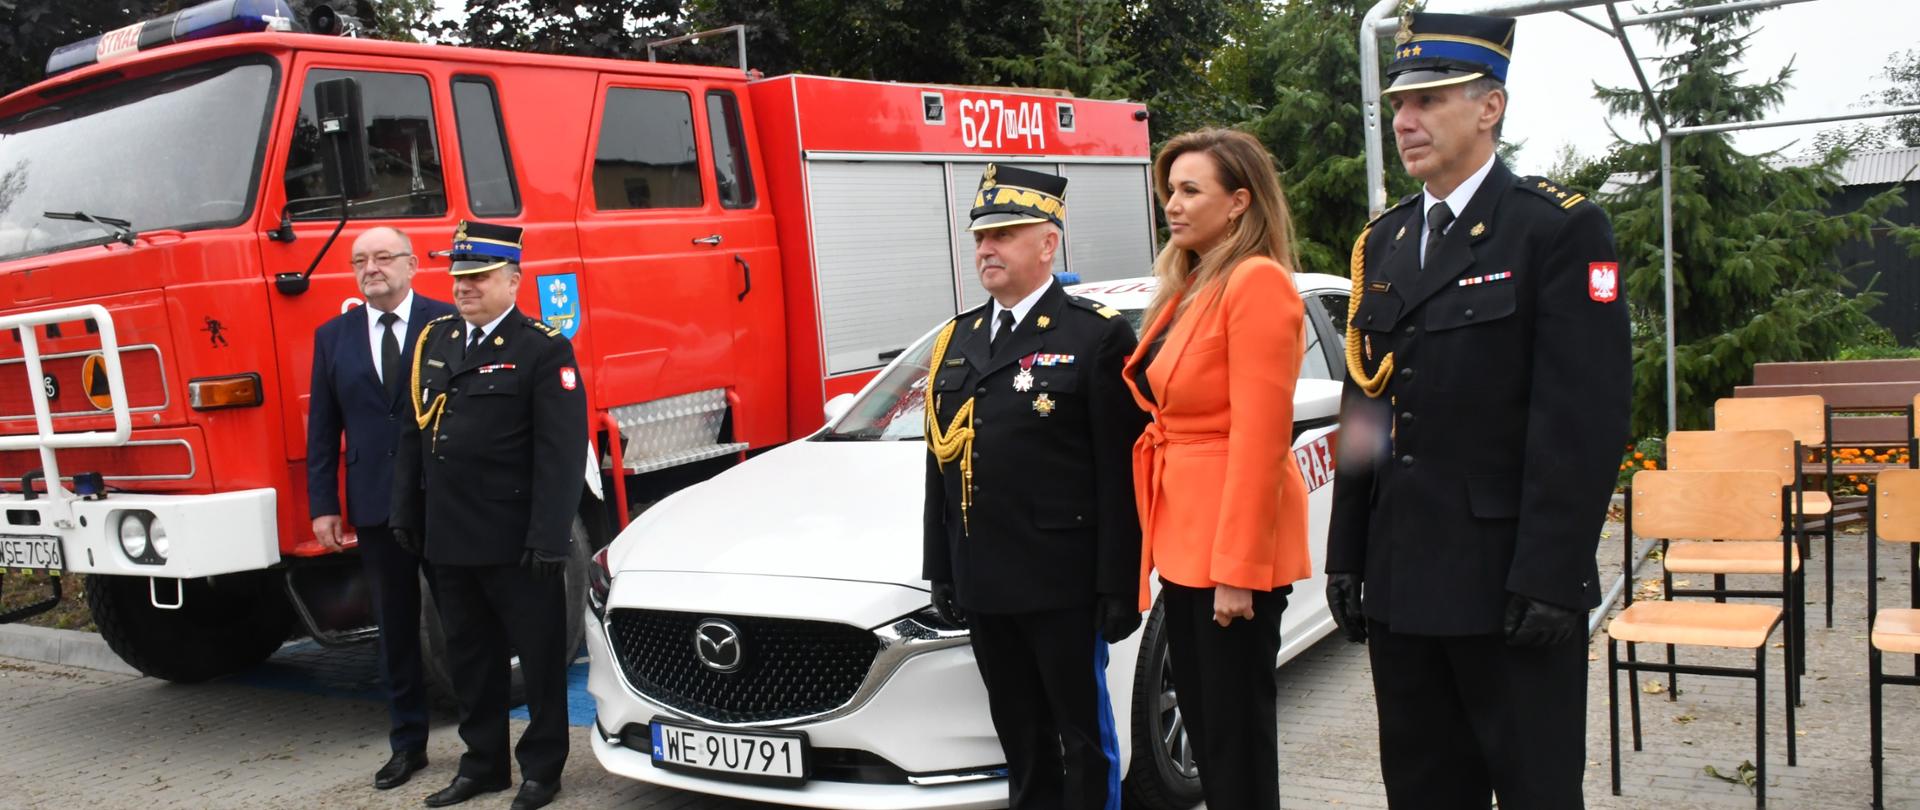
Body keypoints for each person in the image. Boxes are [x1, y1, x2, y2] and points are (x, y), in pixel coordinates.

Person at [1325, 12, 1630, 809]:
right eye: (1399, 101)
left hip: (1509, 585)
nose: (1404, 119)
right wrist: (1348, 550)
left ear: (1490, 106)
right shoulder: (1385, 243)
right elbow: (1369, 409)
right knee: (1424, 791)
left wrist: (1554, 575)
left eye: (1429, 99)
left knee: (1535, 789)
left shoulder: (1555, 230)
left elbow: (1583, 419)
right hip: (1403, 580)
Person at [922, 163, 1148, 810]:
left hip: (1063, 585)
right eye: (980, 237)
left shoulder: (1095, 334)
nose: (986, 248)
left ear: (1048, 243)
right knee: (1019, 739)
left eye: (1005, 233)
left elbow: (1118, 472)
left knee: (1082, 740)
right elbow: (941, 468)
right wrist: (943, 569)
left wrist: (1117, 585)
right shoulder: (957, 339)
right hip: (985, 581)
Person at [1121, 128, 1312, 810]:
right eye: (1169, 190)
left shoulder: (1256, 282)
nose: (1172, 203)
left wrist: (1237, 569)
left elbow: (1261, 438)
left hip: (1230, 550)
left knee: (1235, 743)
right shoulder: (1196, 282)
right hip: (1187, 539)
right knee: (1209, 735)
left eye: (1190, 190)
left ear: (1239, 202)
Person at [390, 220, 587, 810]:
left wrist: (550, 537)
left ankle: (541, 769)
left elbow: (561, 452)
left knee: (542, 657)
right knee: (471, 658)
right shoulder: (438, 339)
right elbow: (412, 432)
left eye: (477, 277)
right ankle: (483, 765)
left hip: (516, 539)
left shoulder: (542, 347)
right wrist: (406, 510)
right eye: (458, 276)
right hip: (449, 536)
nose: (464, 286)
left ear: (513, 279)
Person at [307, 226, 456, 790]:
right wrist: (324, 504)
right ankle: (408, 745)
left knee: (463, 623)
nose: (372, 268)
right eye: (360, 260)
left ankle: (480, 745)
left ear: (413, 265)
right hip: (374, 506)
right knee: (394, 631)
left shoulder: (446, 323)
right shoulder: (333, 337)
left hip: (442, 502)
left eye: (384, 257)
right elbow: (323, 428)